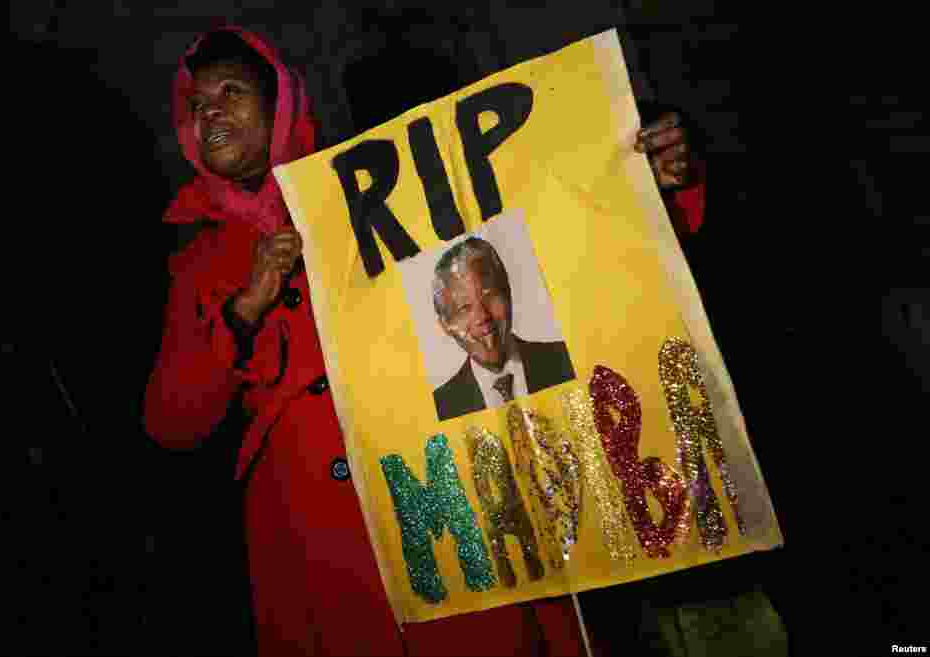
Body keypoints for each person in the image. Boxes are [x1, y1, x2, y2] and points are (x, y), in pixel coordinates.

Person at [143, 26, 700, 657]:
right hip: (314, 554)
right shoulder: (191, 261)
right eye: (197, 105)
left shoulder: (373, 190)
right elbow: (171, 422)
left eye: (232, 91)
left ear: (281, 105)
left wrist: (642, 180)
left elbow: (528, 248)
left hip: (442, 502)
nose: (210, 110)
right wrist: (243, 310)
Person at [432, 237, 576, 420]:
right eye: (464, 308)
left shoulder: (565, 359)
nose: (482, 316)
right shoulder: (444, 407)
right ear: (446, 326)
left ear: (507, 291)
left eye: (490, 296)